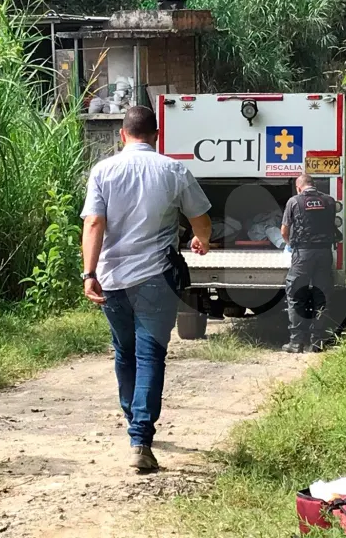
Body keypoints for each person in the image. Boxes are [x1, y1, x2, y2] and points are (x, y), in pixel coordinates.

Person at [81, 106, 212, 471]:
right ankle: (140, 438)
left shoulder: (102, 171)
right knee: (150, 356)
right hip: (157, 279)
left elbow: (94, 224)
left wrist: (88, 273)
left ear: (121, 135)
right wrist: (201, 241)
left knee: (124, 353)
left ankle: (133, 422)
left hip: (113, 280)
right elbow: (200, 219)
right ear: (156, 135)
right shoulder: (173, 170)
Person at [280, 174, 338, 353]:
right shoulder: (329, 201)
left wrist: (290, 245)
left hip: (303, 254)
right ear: (314, 185)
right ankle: (318, 342)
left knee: (296, 294)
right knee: (321, 295)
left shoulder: (294, 202)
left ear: (299, 187)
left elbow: (284, 231)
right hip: (324, 253)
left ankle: (296, 343)